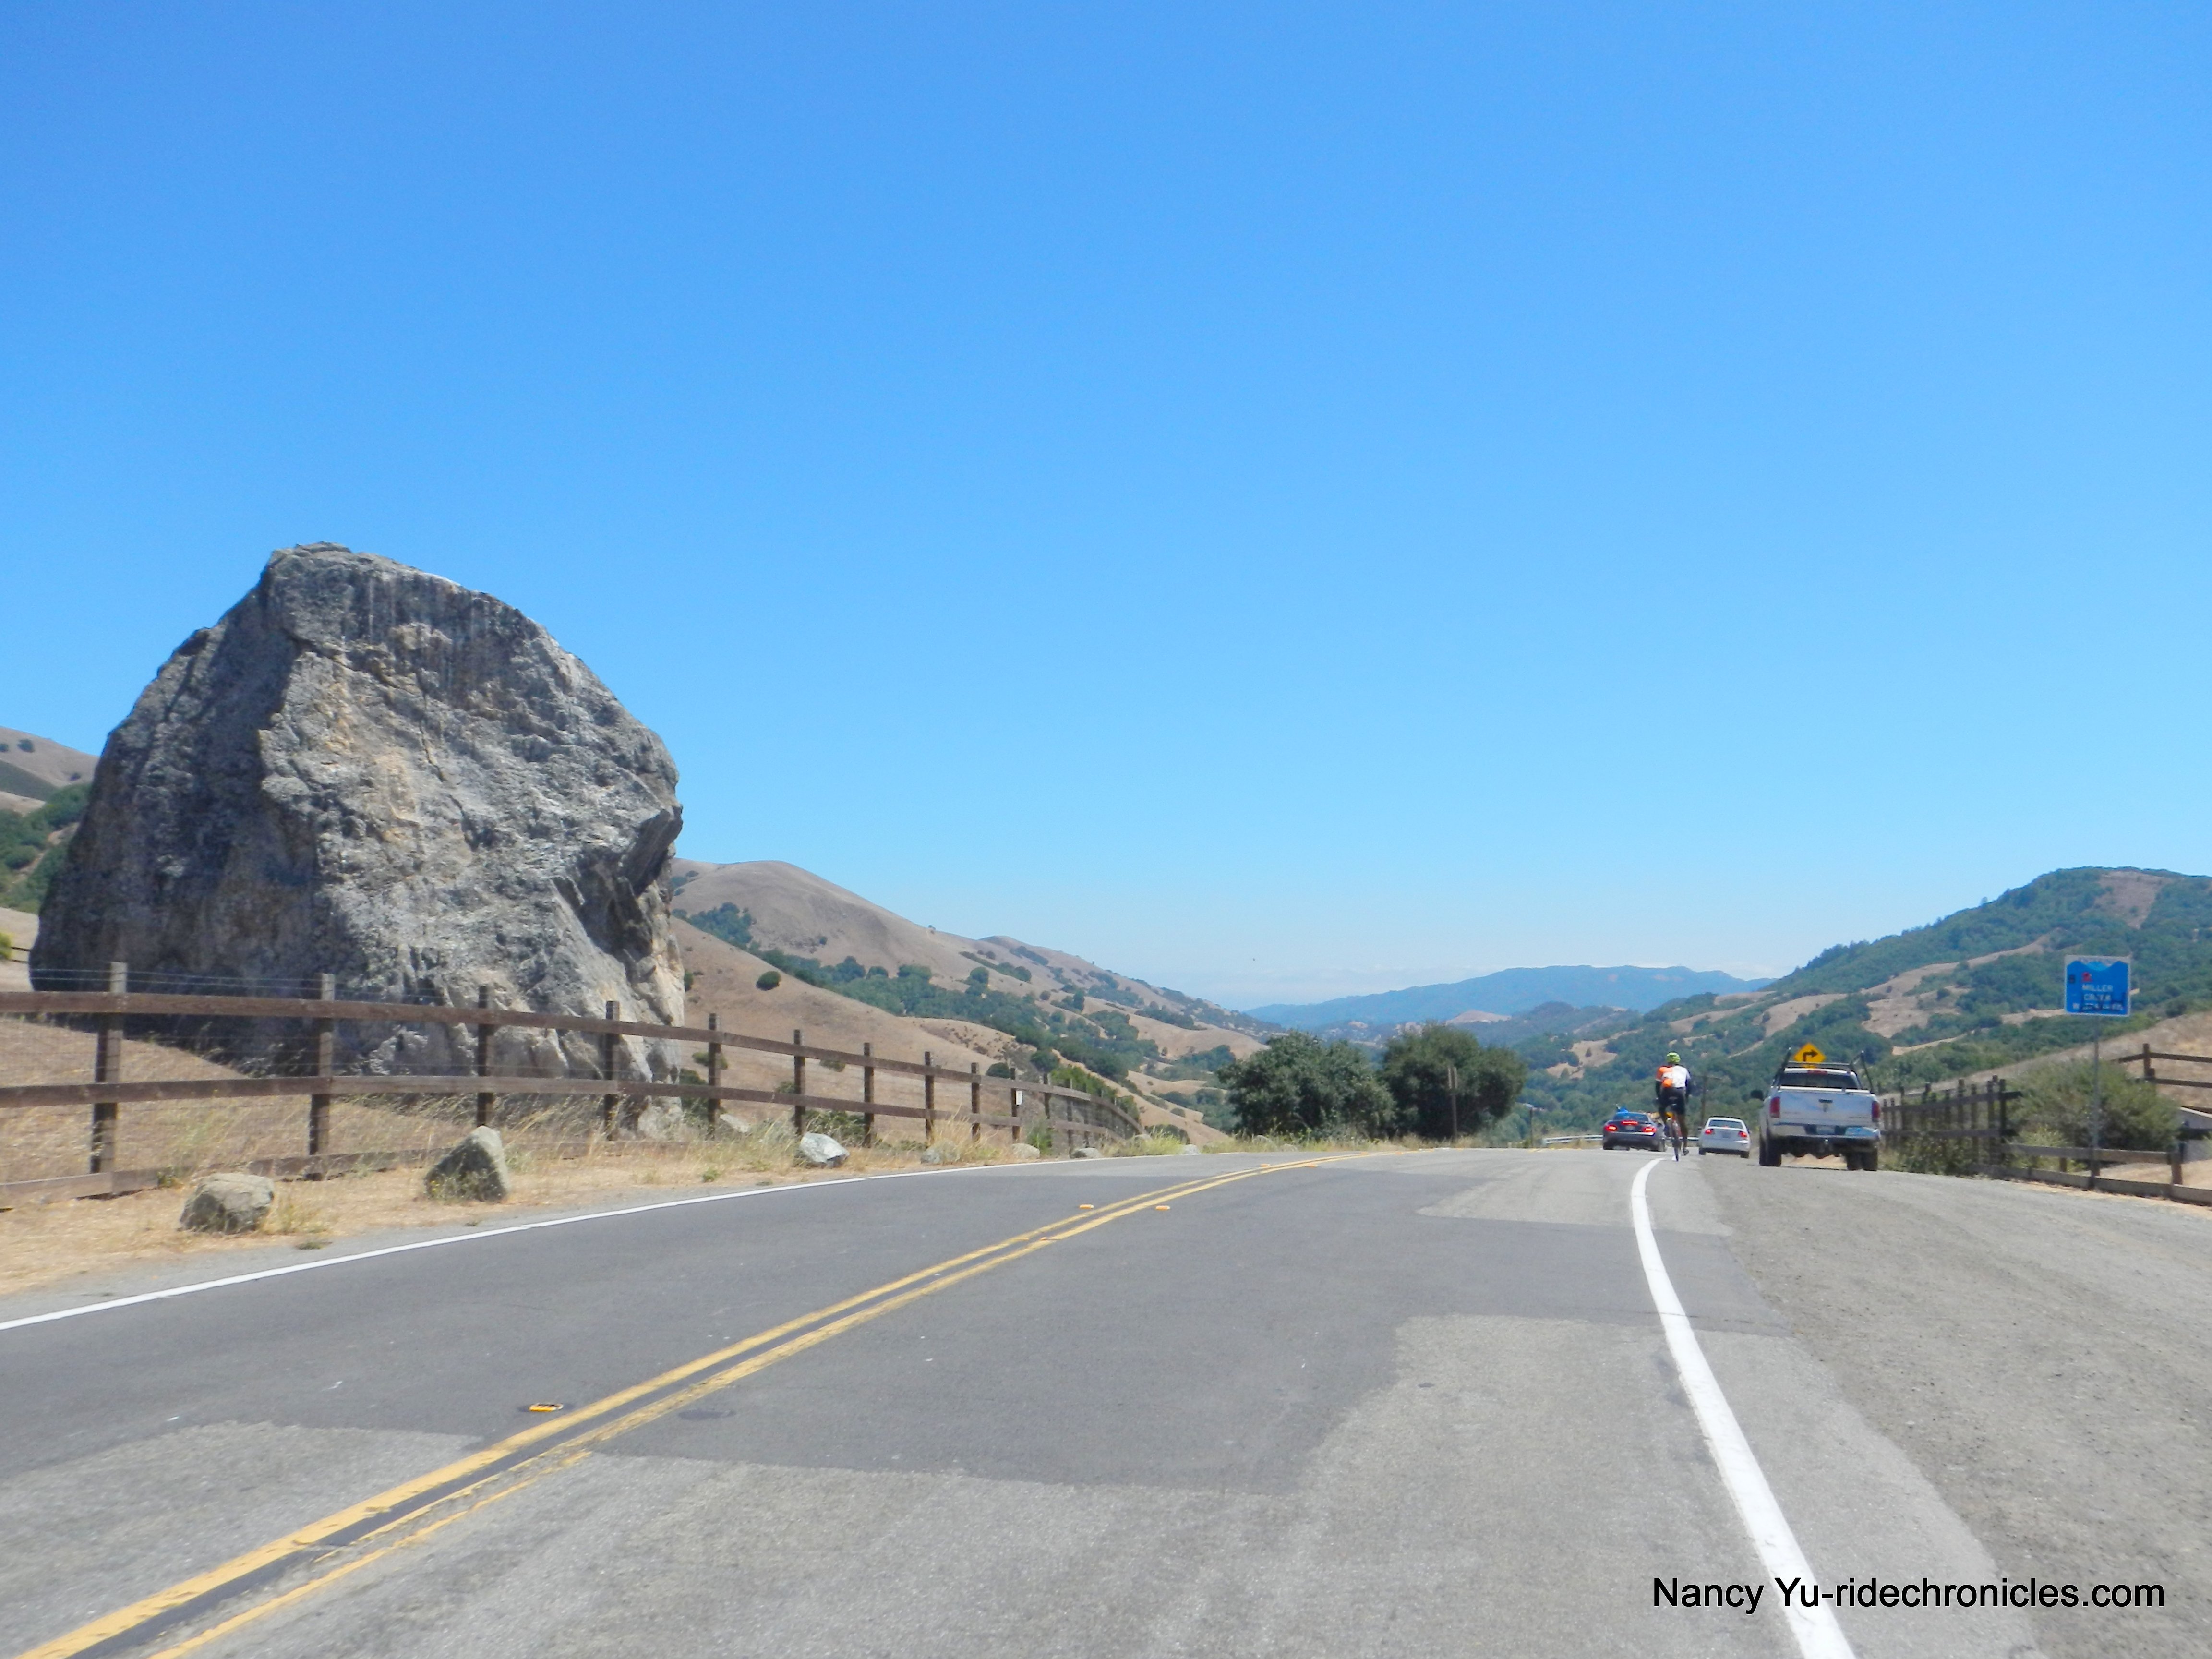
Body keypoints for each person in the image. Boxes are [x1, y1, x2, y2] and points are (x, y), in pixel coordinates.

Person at [1654, 1053, 1693, 1145]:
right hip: (1680, 1093)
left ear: (1668, 1061)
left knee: (1661, 1108)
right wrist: (1686, 1097)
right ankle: (1685, 1146)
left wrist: (1659, 1098)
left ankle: (1666, 1125)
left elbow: (1658, 1086)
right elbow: (1690, 1085)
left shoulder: (1662, 1069)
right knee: (1682, 1121)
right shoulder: (1684, 1070)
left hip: (1667, 1091)